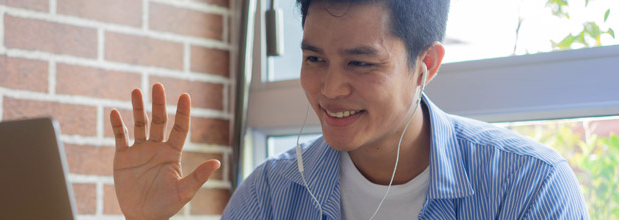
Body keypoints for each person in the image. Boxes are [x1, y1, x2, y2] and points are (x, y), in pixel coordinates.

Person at [108, 0, 589, 219]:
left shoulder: (528, 187)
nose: (329, 88)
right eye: (314, 59)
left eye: (361, 62)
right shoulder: (272, 195)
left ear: (425, 65)